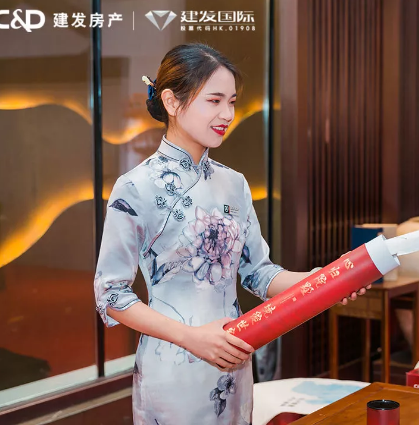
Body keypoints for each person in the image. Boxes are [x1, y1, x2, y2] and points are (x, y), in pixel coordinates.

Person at [93, 43, 369, 424]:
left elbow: (260, 274)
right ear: (172, 102)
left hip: (235, 362)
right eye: (214, 100)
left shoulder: (234, 184)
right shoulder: (135, 187)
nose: (227, 114)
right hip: (173, 368)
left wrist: (325, 281)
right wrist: (191, 337)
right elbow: (110, 294)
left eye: (232, 102)